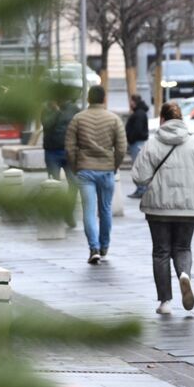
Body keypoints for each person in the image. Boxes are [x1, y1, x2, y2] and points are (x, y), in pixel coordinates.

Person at [132, 102, 194, 315]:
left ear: (162, 119)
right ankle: (184, 274)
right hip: (188, 207)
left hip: (158, 208)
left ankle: (165, 302)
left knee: (161, 252)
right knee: (183, 248)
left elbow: (139, 177)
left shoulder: (152, 144)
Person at [65, 84, 127, 264]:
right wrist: (113, 165)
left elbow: (69, 148)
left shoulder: (78, 119)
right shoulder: (114, 119)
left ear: (88, 99)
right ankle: (104, 245)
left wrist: (76, 166)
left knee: (89, 211)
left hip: (85, 170)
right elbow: (121, 148)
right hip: (107, 170)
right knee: (105, 210)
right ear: (104, 99)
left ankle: (94, 248)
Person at [40, 87, 82, 227]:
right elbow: (47, 126)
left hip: (69, 151)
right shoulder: (47, 108)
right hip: (52, 152)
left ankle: (68, 212)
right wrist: (57, 112)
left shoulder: (74, 109)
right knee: (54, 185)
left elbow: (80, 127)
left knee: (74, 183)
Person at [124, 94, 150, 198]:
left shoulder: (138, 114)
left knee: (138, 167)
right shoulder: (140, 113)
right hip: (137, 142)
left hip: (137, 143)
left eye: (131, 101)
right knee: (139, 166)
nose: (130, 104)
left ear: (135, 102)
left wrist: (130, 138)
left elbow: (137, 130)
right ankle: (141, 188)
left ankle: (141, 189)